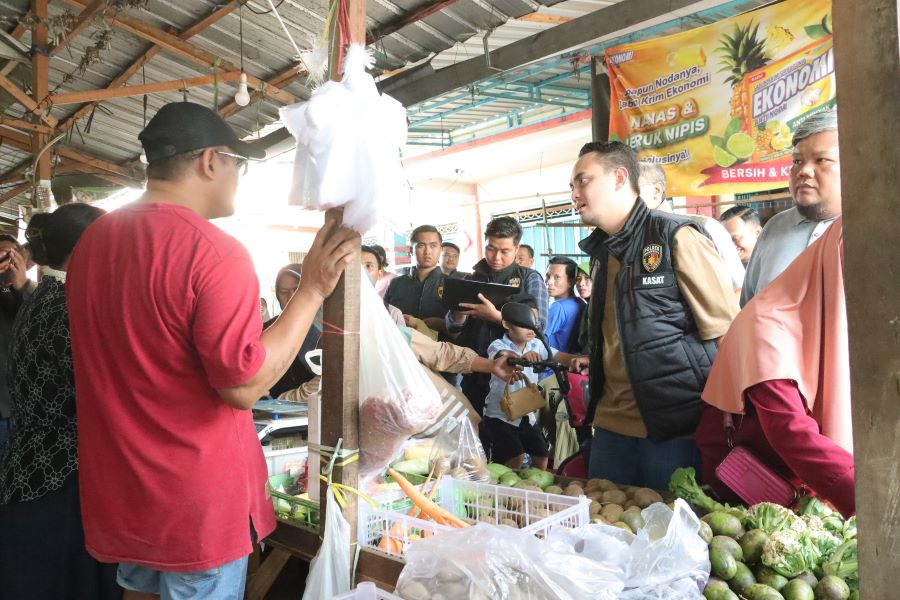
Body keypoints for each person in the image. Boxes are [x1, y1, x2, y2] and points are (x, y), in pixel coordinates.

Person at [66, 101, 358, 600]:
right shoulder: (213, 251)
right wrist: (310, 290)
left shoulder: (93, 244)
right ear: (209, 162)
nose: (237, 177)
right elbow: (242, 385)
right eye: (236, 164)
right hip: (193, 504)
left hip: (124, 493)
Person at [570, 141, 739, 490]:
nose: (574, 192)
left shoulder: (676, 237)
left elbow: (728, 334)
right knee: (607, 531)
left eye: (582, 181)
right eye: (572, 185)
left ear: (619, 178)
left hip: (674, 429)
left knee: (673, 534)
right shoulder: (601, 252)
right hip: (611, 427)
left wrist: (734, 418)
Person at [0, 203, 122, 600]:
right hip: (61, 476)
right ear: (92, 246)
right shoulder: (71, 305)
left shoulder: (48, 296)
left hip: (34, 468)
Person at [697, 218, 854, 516]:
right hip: (752, 492)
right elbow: (791, 433)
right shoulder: (766, 326)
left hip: (800, 487)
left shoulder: (833, 321)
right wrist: (874, 501)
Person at [447, 216, 549, 416]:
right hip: (475, 371)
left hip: (514, 375)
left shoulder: (529, 278)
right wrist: (459, 314)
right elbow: (452, 328)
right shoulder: (470, 279)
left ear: (517, 249)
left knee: (512, 433)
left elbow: (539, 327)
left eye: (505, 251)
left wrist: (495, 317)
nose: (496, 257)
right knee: (477, 431)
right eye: (491, 248)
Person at [741, 110, 841, 306]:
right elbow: (749, 308)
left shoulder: (874, 228)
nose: (803, 171)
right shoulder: (774, 227)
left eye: (821, 160)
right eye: (797, 161)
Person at [638, 161, 745, 292]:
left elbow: (738, 287)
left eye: (632, 189)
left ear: (656, 191)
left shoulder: (704, 227)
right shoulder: (622, 237)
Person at [264, 263, 322, 399]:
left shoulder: (325, 329)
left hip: (314, 411)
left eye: (297, 290)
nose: (291, 297)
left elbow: (326, 380)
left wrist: (289, 399)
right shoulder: (267, 329)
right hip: (271, 413)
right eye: (283, 292)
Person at [0, 234, 35, 446]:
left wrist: (21, 283)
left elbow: (40, 318)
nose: (6, 263)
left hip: (23, 409)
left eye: (10, 255)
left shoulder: (34, 294)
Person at [384, 225, 448, 335]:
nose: (428, 251)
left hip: (438, 349)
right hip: (400, 346)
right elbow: (384, 316)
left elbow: (459, 327)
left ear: (440, 249)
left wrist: (442, 324)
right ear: (411, 250)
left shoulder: (451, 284)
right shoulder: (395, 284)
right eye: (421, 245)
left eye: (433, 245)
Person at [544, 256, 584, 353]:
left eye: (556, 277)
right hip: (570, 364)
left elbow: (537, 339)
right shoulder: (581, 303)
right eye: (548, 276)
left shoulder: (558, 307)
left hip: (551, 366)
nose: (549, 282)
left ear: (571, 282)